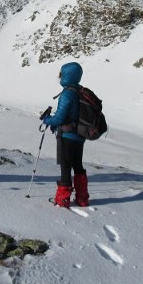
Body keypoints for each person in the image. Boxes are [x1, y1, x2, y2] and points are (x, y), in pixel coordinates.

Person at [42, 62, 89, 208]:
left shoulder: (67, 94)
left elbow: (60, 118)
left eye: (61, 73)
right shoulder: (80, 91)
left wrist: (47, 119)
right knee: (78, 166)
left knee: (66, 167)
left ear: (66, 75)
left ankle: (62, 200)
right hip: (79, 136)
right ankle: (82, 199)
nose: (59, 75)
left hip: (67, 136)